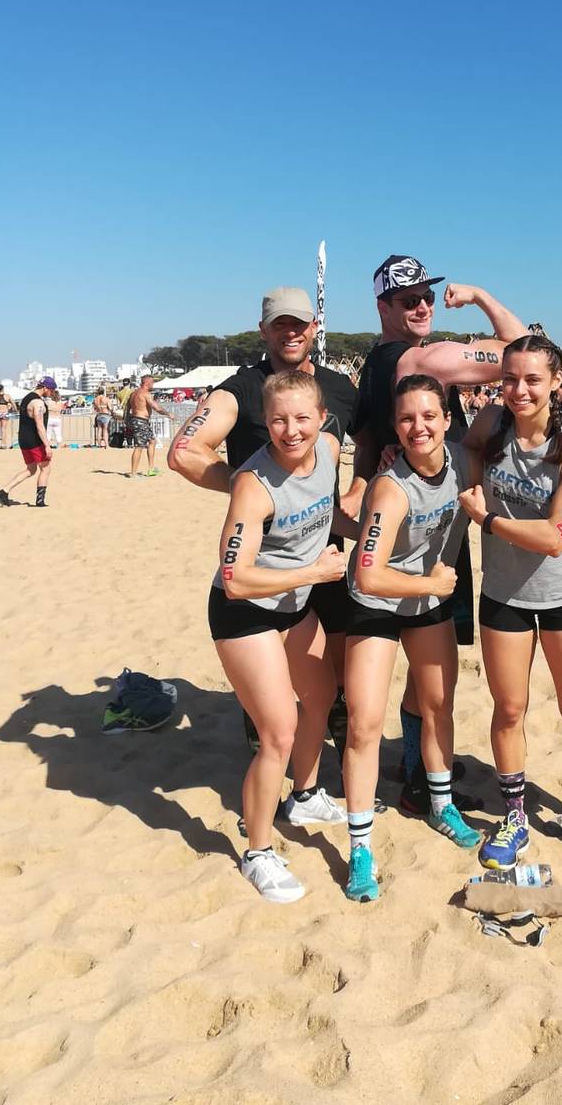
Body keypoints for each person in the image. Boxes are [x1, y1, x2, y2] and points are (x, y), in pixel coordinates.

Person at [168, 285, 362, 816]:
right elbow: (183, 452)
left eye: (300, 323)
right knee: (270, 715)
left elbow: (366, 444)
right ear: (264, 331)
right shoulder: (241, 388)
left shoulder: (339, 387)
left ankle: (312, 788)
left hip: (324, 553)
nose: (291, 332)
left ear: (315, 327)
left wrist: (360, 491)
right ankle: (265, 800)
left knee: (328, 689)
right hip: (268, 563)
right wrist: (251, 488)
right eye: (280, 325)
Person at [350, 253, 526, 812]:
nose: (424, 305)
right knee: (428, 669)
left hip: (411, 516)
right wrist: (481, 297)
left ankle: (415, 767)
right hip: (425, 522)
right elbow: (524, 353)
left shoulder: (374, 366)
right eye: (409, 300)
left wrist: (362, 488)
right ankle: (417, 776)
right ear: (383, 307)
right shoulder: (422, 359)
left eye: (427, 295)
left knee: (420, 667)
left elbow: (363, 443)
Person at [459, 335, 562, 879]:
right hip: (503, 593)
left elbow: (555, 538)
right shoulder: (491, 424)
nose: (519, 390)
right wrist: (470, 479)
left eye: (532, 379)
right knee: (509, 710)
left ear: (556, 381)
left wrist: (487, 519)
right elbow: (462, 452)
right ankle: (514, 817)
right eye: (510, 379)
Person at [210, 370, 357, 903]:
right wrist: (313, 573)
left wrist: (377, 534)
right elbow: (235, 579)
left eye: (301, 418)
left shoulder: (330, 451)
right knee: (277, 731)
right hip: (245, 613)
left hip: (293, 606)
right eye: (278, 420)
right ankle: (257, 852)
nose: (291, 430)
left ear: (323, 419)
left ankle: (305, 793)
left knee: (321, 696)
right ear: (264, 422)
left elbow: (326, 514)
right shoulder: (253, 484)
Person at [342, 375, 482, 902]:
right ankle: (360, 847)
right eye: (406, 418)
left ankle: (441, 804)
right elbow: (367, 575)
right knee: (364, 725)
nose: (418, 427)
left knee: (438, 704)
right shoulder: (390, 487)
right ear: (394, 428)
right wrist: (430, 584)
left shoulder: (465, 463)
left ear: (448, 420)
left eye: (428, 416)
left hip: (426, 602)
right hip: (378, 603)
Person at [0, 377, 57, 506]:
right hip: (35, 440)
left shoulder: (26, 398)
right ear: (45, 388)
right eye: (51, 390)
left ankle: (5, 491)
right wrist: (47, 445)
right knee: (46, 469)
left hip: (23, 439)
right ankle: (40, 501)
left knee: (31, 469)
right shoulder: (38, 403)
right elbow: (39, 425)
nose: (52, 393)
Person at [125, 374, 169, 477]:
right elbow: (156, 407)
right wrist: (168, 414)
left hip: (137, 420)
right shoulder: (145, 393)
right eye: (152, 382)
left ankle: (151, 468)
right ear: (148, 383)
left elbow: (127, 408)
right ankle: (133, 473)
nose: (153, 385)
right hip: (141, 420)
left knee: (152, 441)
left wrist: (127, 420)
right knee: (139, 446)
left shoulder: (133, 393)